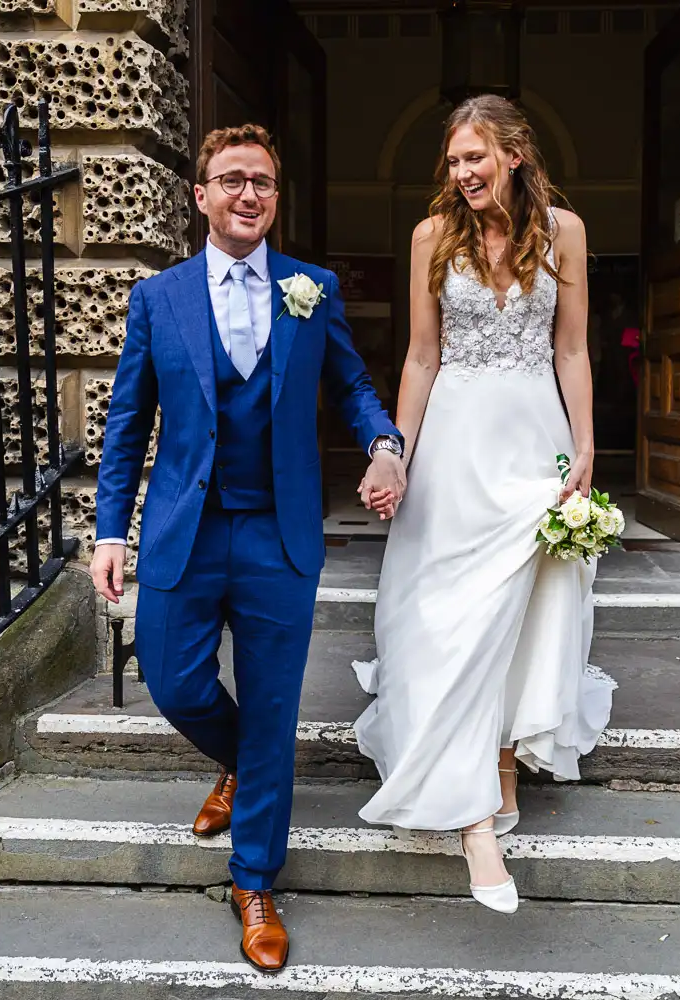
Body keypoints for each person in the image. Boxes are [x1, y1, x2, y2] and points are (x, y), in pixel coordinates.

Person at [91, 123, 404, 972]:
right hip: (183, 534)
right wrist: (109, 529)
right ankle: (244, 767)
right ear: (200, 196)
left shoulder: (312, 288)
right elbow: (127, 426)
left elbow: (352, 385)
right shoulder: (159, 299)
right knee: (172, 678)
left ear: (275, 195)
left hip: (278, 535)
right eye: (231, 180)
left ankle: (255, 881)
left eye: (262, 181)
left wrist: (386, 445)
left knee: (270, 710)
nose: (248, 195)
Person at [353, 95, 615, 914]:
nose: (464, 173)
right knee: (451, 611)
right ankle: (469, 801)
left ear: (515, 154)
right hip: (457, 446)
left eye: (478, 157)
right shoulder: (431, 238)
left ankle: (500, 755)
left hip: (533, 437)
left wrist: (587, 443)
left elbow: (570, 348)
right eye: (455, 161)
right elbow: (422, 359)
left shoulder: (563, 232)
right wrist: (396, 451)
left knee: (524, 607)